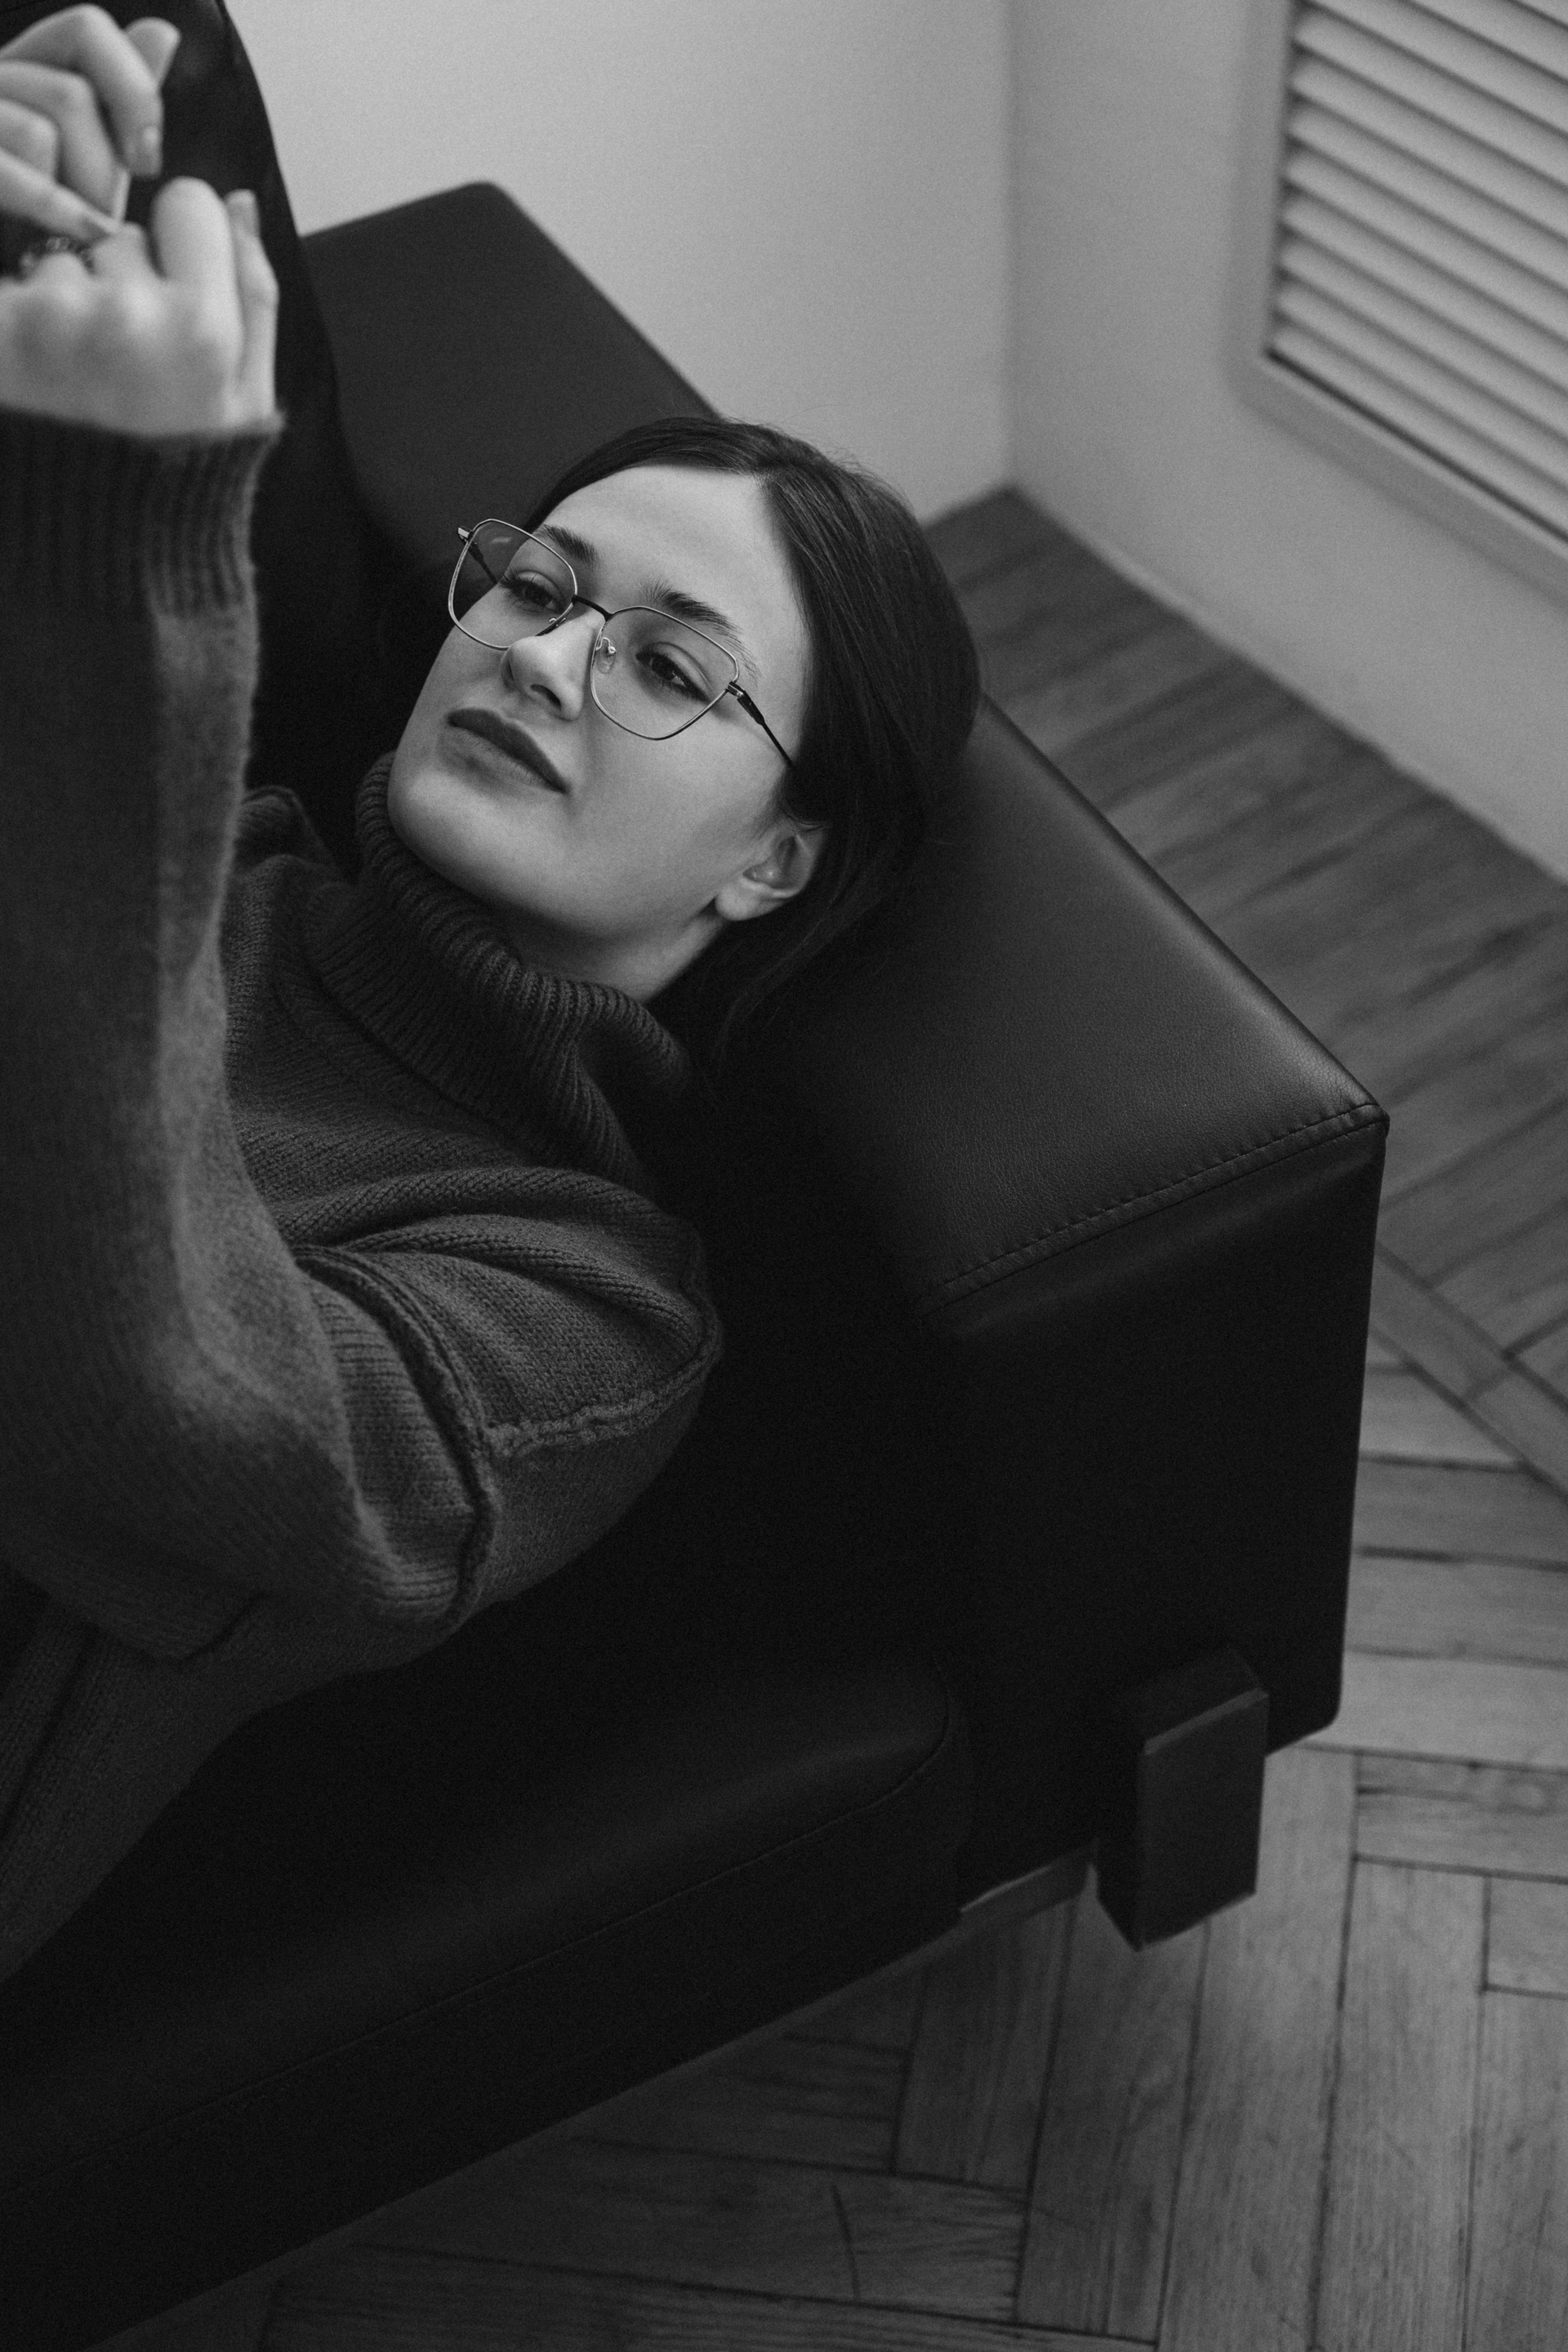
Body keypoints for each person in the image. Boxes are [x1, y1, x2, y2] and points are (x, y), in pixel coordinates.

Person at [0, 9, 979, 1985]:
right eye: (538, 585)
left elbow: (133, 1380)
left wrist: (139, 549)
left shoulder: (588, 1317)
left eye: (673, 667)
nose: (543, 656)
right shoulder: (223, 866)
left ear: (772, 861)